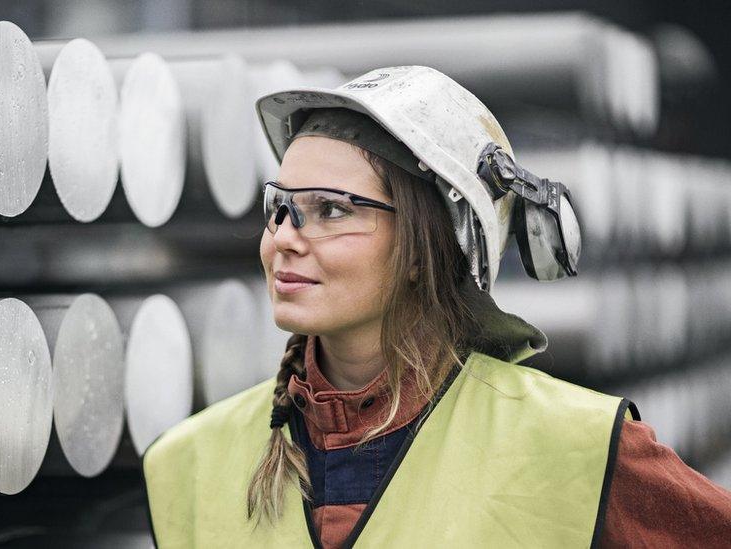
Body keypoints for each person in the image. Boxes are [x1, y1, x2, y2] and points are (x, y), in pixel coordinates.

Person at [141, 66, 731, 547]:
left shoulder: (579, 446)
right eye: (280, 206)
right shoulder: (188, 465)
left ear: (428, 248)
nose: (284, 237)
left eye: (333, 209)